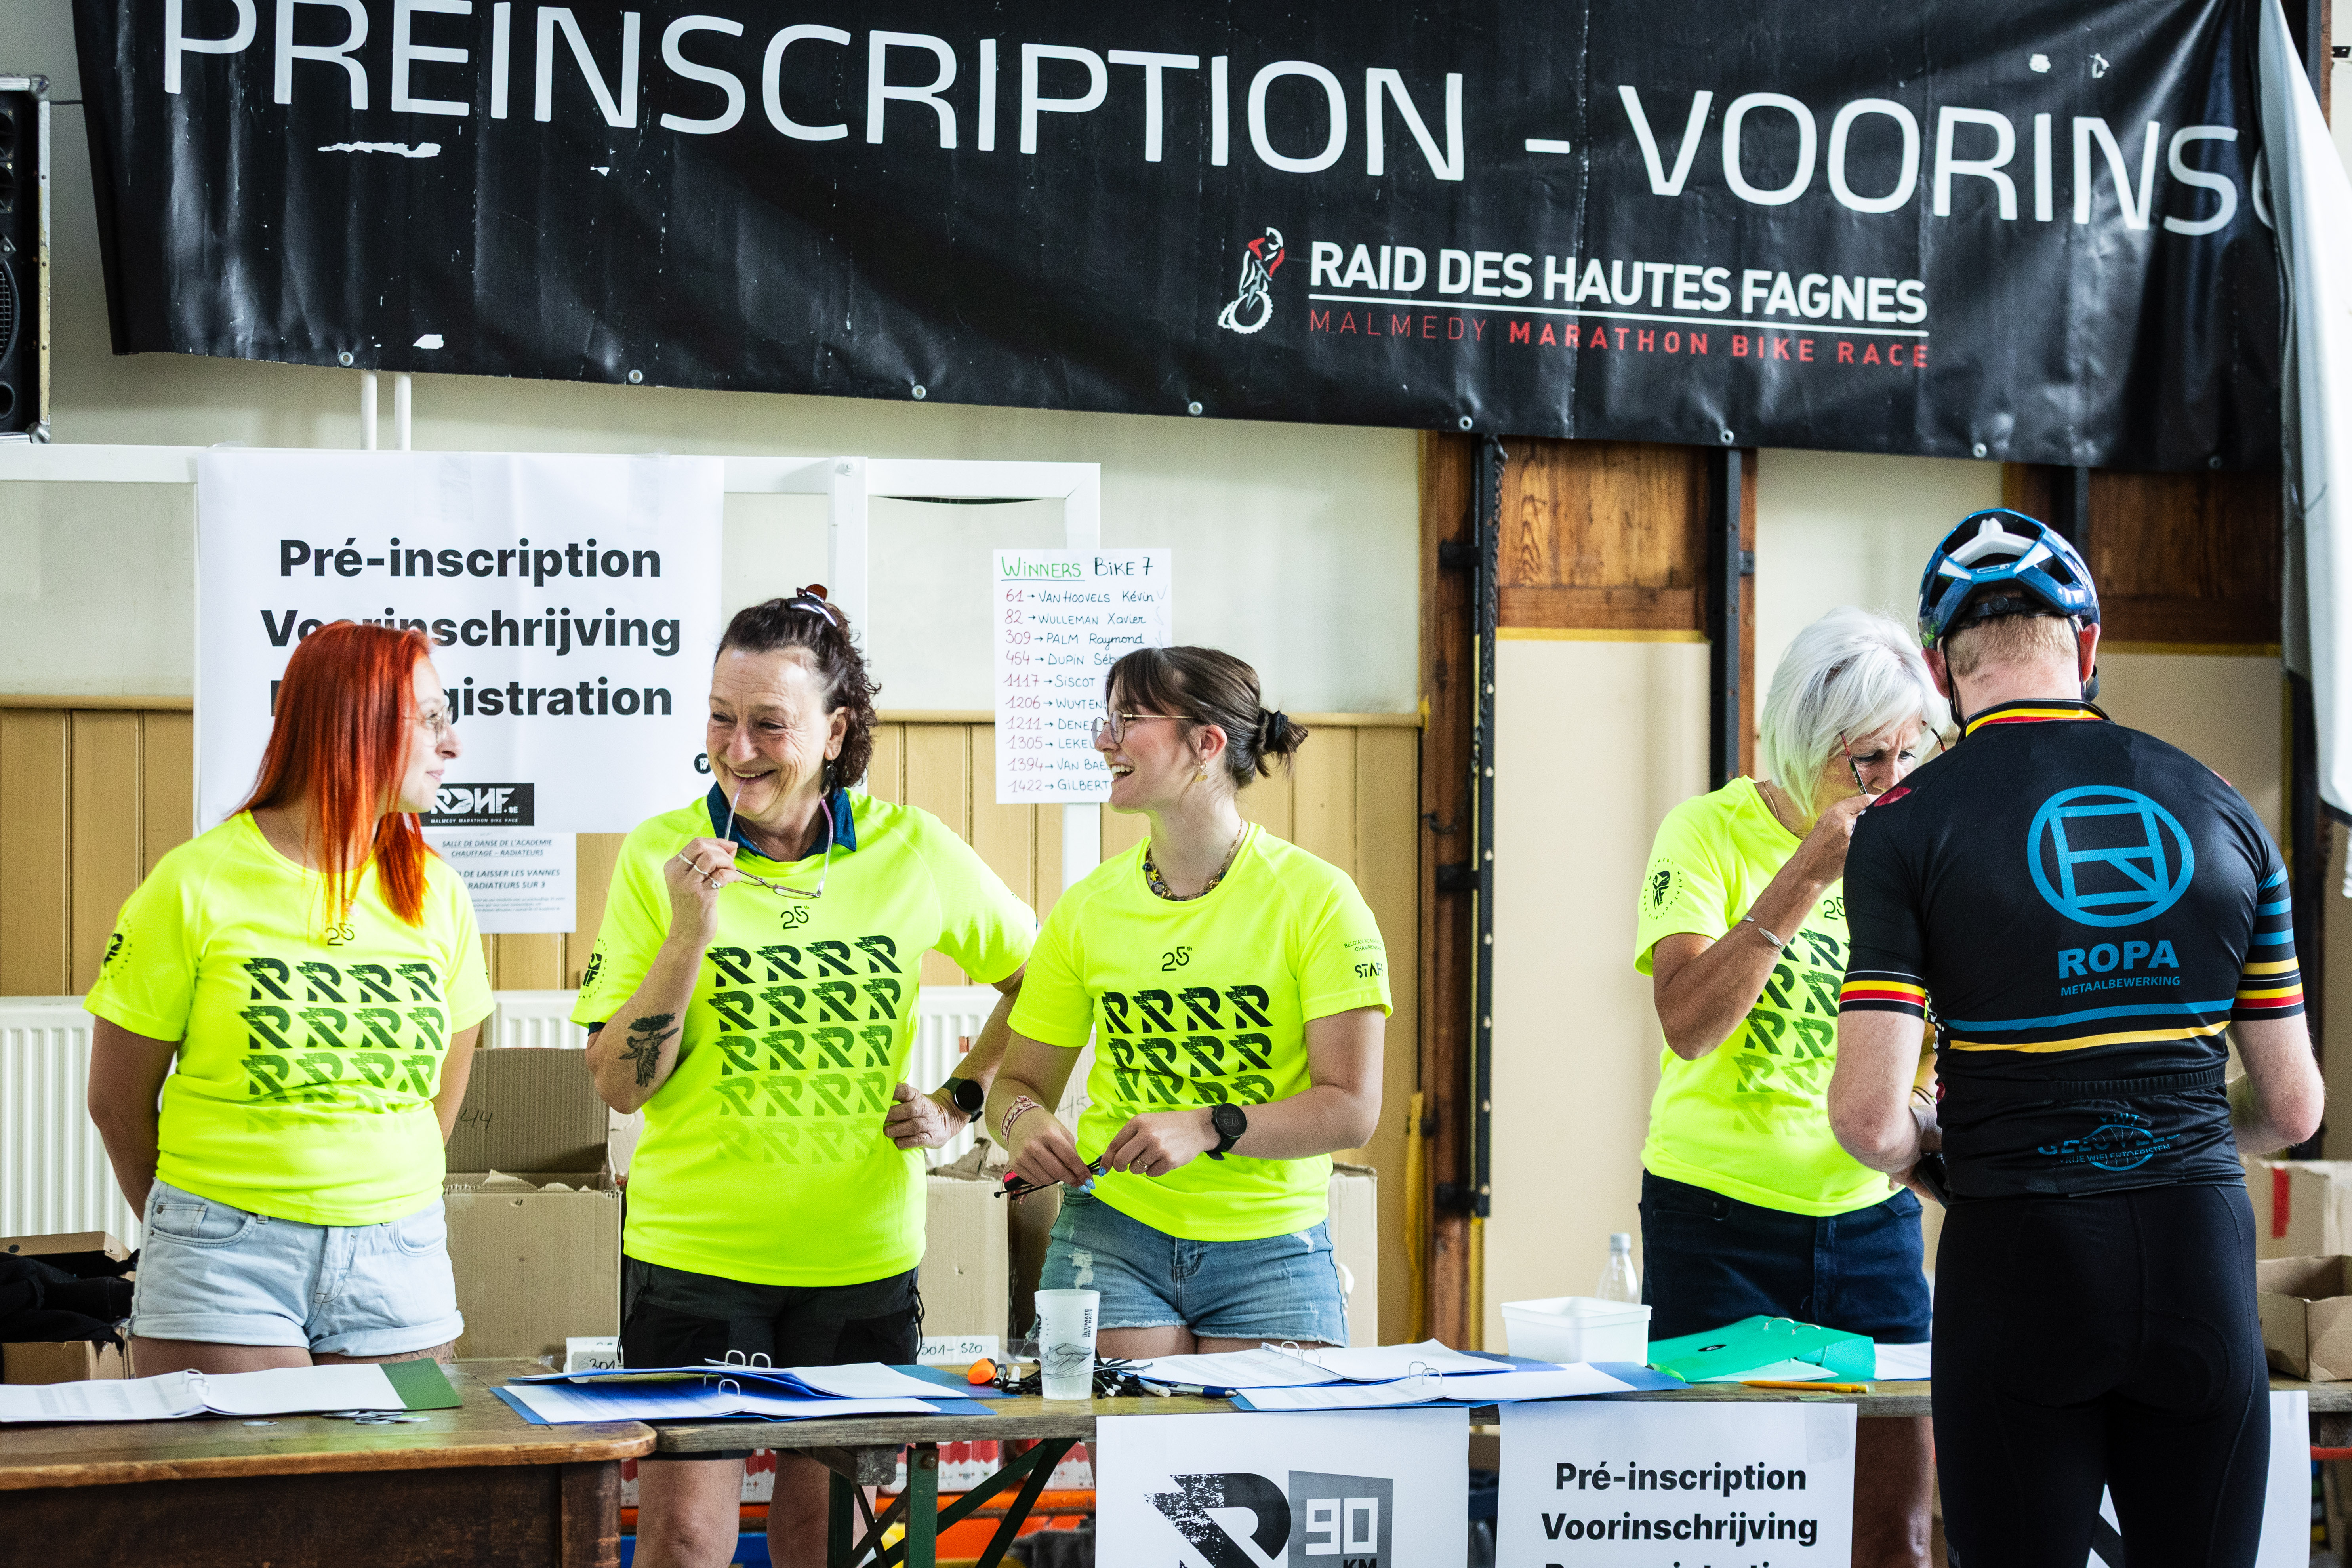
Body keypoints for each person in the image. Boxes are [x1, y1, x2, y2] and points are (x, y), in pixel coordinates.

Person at [1828, 510, 2324, 1568]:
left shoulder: (1905, 827)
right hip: (2199, 1253)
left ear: (1937, 668)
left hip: (2019, 1263)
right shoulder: (2226, 809)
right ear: (2087, 647)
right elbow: (2291, 1109)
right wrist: (2165, 1134)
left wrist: (1943, 1146)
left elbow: (1869, 1124)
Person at [576, 588, 1036, 1568]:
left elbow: (1043, 981)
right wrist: (688, 934)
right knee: (687, 1538)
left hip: (859, 1260)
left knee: (819, 1538)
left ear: (835, 732)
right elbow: (619, 1085)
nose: (736, 748)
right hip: (696, 1255)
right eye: (720, 717)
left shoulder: (911, 850)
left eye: (768, 725)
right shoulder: (660, 854)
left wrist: (960, 1100)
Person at [84, 621, 489, 1374]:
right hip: (225, 1253)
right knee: (244, 1492)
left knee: (402, 1489)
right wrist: (191, 1233)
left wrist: (379, 1190)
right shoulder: (193, 882)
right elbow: (115, 1099)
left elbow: (444, 1088)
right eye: (431, 718)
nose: (452, 742)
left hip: (399, 1256)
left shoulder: (438, 892)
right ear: (354, 725)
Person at [1633, 605, 1947, 1568]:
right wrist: (1805, 875)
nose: (1891, 784)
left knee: (1892, 1527)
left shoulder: (1919, 847)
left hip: (1871, 1224)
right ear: (1803, 741)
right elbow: (1687, 1024)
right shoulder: (1705, 833)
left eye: (1909, 755)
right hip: (1716, 1227)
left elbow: (1932, 1040)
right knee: (1722, 1529)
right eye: (1865, 761)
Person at [987, 646, 1389, 1358]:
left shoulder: (1319, 901)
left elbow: (1351, 1108)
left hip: (1271, 1244)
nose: (1103, 739)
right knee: (1134, 1464)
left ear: (1206, 744)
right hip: (1112, 1232)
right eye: (1104, 718)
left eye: (1128, 719)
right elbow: (1018, 1085)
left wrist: (1209, 1126)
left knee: (1254, 1473)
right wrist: (1023, 1125)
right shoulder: (1087, 909)